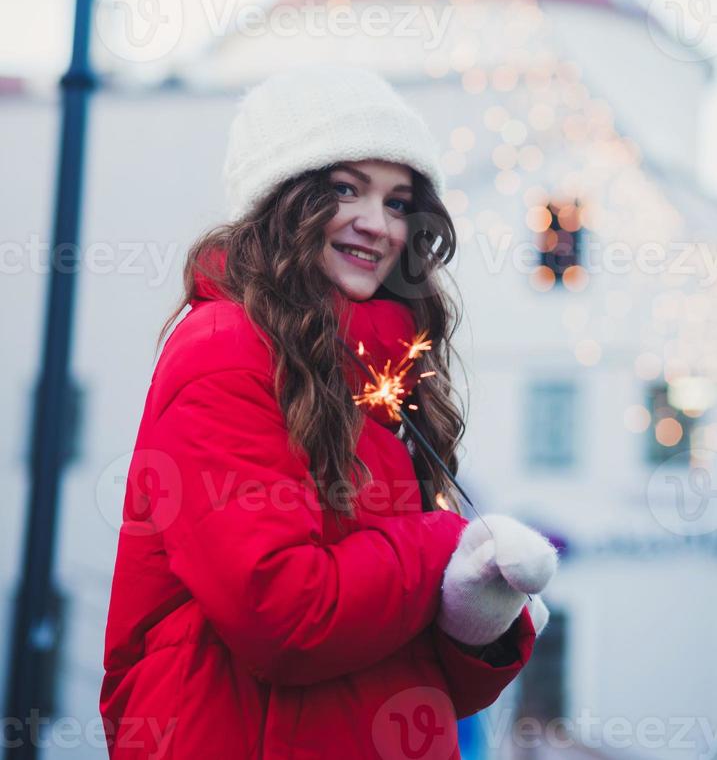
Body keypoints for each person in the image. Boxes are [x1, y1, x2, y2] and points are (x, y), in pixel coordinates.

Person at [99, 65, 558, 760]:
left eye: (399, 203)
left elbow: (409, 673)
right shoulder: (225, 348)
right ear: (283, 199)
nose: (377, 225)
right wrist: (440, 546)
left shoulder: (381, 377)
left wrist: (477, 614)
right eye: (345, 190)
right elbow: (283, 617)